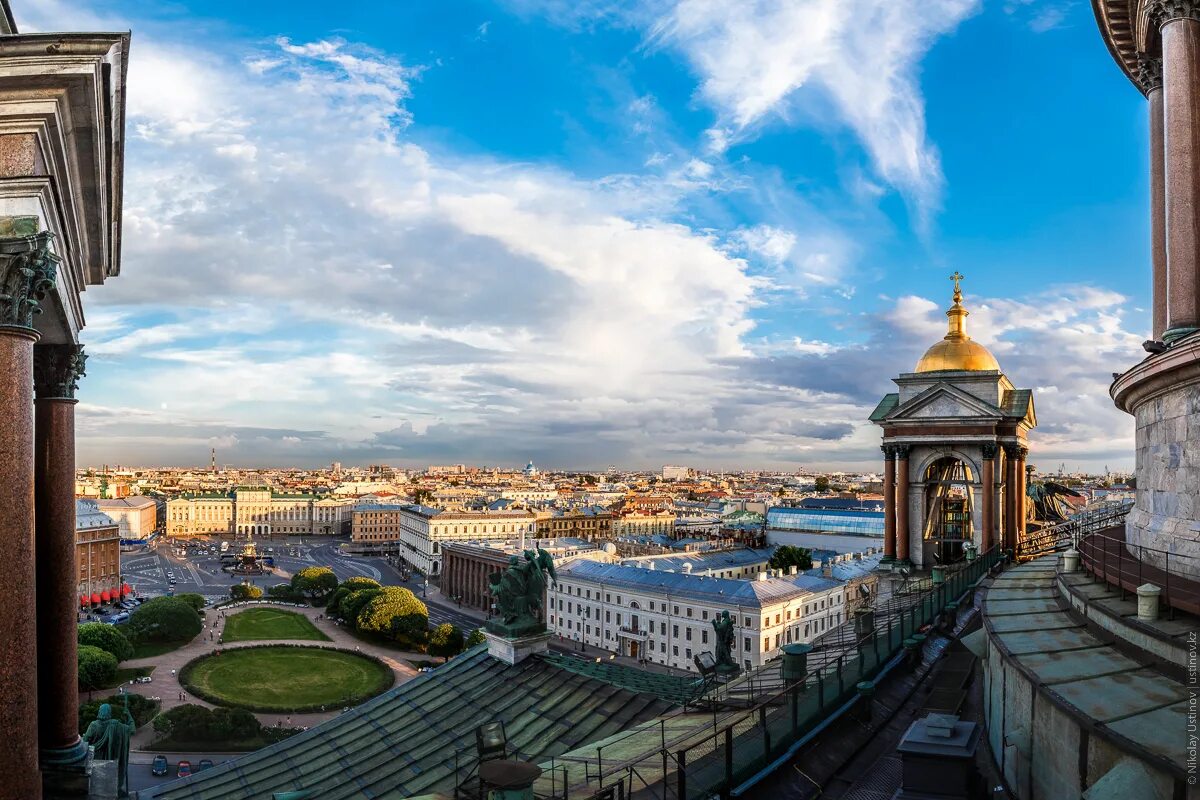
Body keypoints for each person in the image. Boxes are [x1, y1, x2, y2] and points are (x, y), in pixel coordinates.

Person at [83, 703, 135, 797]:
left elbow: (85, 741)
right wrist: (129, 716)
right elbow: (132, 730)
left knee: (98, 780)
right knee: (110, 778)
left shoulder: (93, 725)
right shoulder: (117, 725)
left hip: (96, 758)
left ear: (100, 711)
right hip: (111, 758)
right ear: (109, 712)